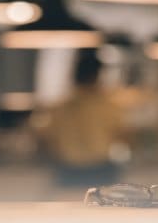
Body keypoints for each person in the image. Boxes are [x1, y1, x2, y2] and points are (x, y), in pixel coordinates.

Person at [38, 49, 127, 187]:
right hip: (101, 169)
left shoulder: (60, 106)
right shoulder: (108, 105)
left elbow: (47, 137)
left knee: (68, 205)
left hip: (68, 169)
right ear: (97, 76)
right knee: (105, 205)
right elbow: (122, 135)